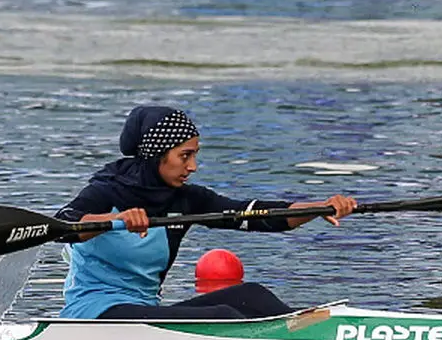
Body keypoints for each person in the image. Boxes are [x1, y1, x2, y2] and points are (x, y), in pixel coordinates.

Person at [55, 105, 358, 320]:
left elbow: (255, 214)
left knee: (251, 296)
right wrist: (115, 220)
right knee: (224, 315)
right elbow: (63, 225)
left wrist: (320, 208)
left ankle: (308, 334)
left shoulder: (186, 199)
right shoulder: (106, 191)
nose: (193, 166)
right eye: (184, 156)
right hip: (93, 313)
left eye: (195, 155)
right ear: (156, 155)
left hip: (143, 309)